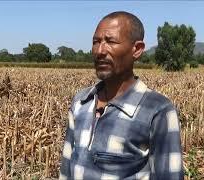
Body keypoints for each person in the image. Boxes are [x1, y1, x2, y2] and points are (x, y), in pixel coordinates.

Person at [59, 11, 183, 180]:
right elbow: (66, 169)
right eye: (96, 42)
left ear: (137, 49)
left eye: (110, 41)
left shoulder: (158, 110)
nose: (100, 51)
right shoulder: (81, 102)